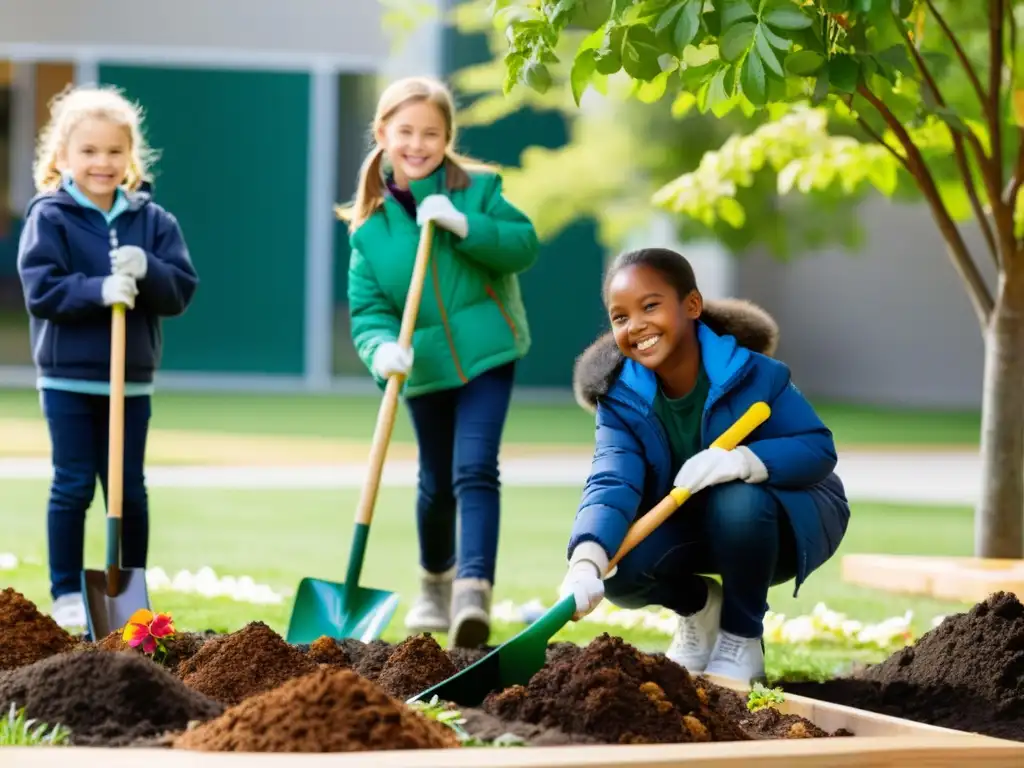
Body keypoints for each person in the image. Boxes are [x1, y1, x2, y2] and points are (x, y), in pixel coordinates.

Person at [558, 247, 849, 683]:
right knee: (616, 568)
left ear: (691, 305)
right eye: (620, 317)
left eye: (650, 306)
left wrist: (744, 460)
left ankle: (741, 636)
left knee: (738, 499)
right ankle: (701, 609)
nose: (636, 326)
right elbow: (612, 476)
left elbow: (817, 449)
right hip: (689, 519)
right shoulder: (619, 398)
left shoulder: (757, 375)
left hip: (782, 523)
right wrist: (586, 559)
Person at [339, 75, 539, 648]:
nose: (418, 144)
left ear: (448, 136)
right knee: (435, 483)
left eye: (431, 133)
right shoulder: (370, 229)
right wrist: (381, 350)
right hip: (421, 366)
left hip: (487, 354)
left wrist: (465, 225)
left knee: (475, 467)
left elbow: (522, 245)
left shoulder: (478, 189)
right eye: (405, 132)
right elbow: (368, 310)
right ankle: (435, 583)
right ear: (382, 133)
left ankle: (473, 592)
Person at [16, 85, 199, 629]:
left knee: (130, 493)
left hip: (131, 381)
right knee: (72, 484)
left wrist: (150, 271)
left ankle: (130, 592)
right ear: (63, 157)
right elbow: (40, 291)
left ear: (130, 157)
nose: (102, 162)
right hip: (69, 378)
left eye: (114, 151)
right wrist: (97, 290)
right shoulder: (50, 216)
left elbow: (180, 293)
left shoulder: (154, 221)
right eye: (89, 151)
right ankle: (67, 591)